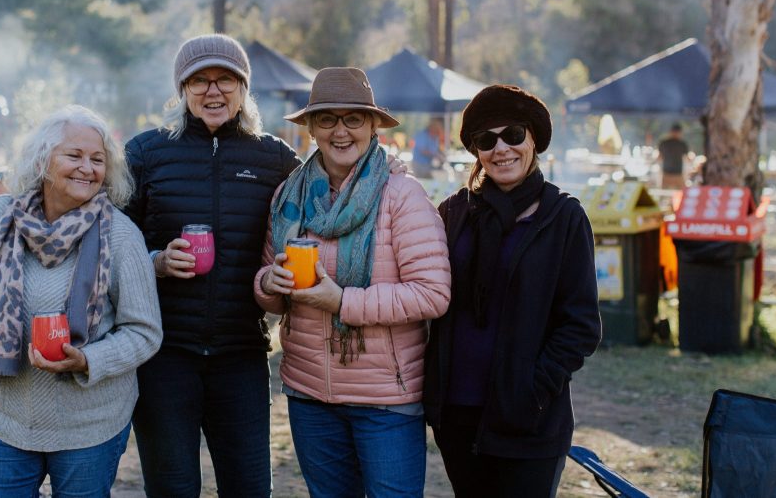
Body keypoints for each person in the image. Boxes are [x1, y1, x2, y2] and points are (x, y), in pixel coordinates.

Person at [0, 104, 162, 496]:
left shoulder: (121, 236)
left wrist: (89, 359)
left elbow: (144, 331)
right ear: (43, 160)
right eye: (74, 155)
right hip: (3, 417)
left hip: (91, 425)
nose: (87, 168)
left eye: (98, 159)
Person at [255, 67, 451, 497]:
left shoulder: (402, 196)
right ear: (310, 128)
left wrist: (342, 301)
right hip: (310, 395)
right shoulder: (290, 196)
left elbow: (433, 293)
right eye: (327, 119)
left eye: (353, 119)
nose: (340, 131)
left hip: (385, 400)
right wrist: (270, 281)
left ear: (373, 126)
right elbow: (271, 290)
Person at [124, 34, 302, 497]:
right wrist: (156, 261)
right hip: (164, 356)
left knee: (247, 488)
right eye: (199, 80)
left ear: (244, 88)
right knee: (172, 487)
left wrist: (386, 167)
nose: (213, 90)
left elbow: (328, 197)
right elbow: (112, 242)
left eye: (226, 78)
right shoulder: (146, 153)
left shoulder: (275, 158)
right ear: (182, 90)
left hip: (241, 354)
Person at [423, 84, 602, 497]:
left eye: (513, 135)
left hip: (529, 419)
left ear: (533, 139)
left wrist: (532, 391)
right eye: (487, 140)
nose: (501, 148)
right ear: (476, 151)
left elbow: (580, 325)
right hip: (458, 414)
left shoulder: (564, 218)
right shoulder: (453, 213)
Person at [657, 123, 692, 190]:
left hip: (678, 174)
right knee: (664, 195)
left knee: (681, 194)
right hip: (666, 173)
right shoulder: (664, 143)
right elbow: (659, 157)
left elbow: (687, 157)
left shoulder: (682, 144)